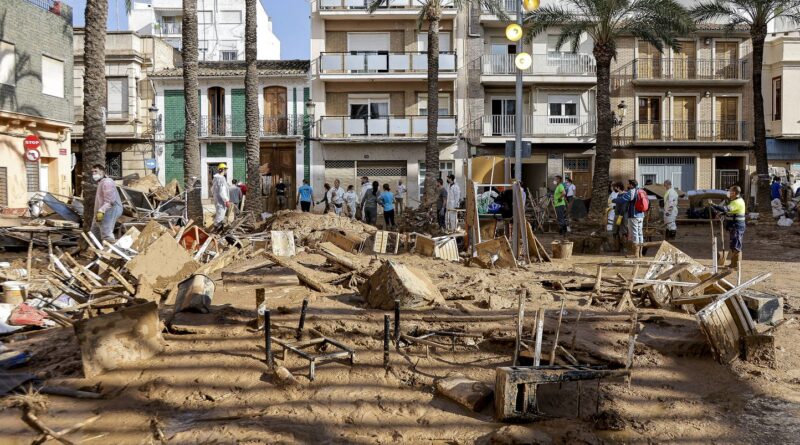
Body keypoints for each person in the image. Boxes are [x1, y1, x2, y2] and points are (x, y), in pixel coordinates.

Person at [711, 185, 747, 269]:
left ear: (734, 193)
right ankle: (734, 264)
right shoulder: (735, 201)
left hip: (737, 226)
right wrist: (722, 214)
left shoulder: (737, 202)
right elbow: (731, 212)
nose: (728, 192)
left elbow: (725, 209)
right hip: (734, 226)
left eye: (730, 191)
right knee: (734, 244)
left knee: (736, 245)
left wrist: (713, 205)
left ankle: (736, 265)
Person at [89, 164, 123, 243]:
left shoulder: (107, 182)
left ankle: (111, 253)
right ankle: (96, 252)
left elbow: (110, 201)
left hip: (110, 210)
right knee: (95, 231)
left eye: (96, 171)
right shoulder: (101, 182)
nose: (94, 173)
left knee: (106, 233)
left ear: (102, 172)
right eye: (92, 172)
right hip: (101, 211)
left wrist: (101, 211)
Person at [613, 179, 646, 256]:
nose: (627, 185)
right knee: (640, 233)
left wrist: (614, 200)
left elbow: (623, 200)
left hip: (634, 215)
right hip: (641, 215)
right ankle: (640, 253)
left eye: (629, 184)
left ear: (631, 185)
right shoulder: (641, 191)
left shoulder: (632, 191)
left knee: (635, 233)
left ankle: (636, 253)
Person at [212, 163, 230, 229]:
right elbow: (222, 191)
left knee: (219, 214)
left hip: (218, 200)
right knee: (220, 216)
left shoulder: (216, 178)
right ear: (222, 170)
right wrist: (226, 200)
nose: (226, 171)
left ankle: (217, 230)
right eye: (225, 169)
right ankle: (217, 231)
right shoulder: (221, 178)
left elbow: (212, 190)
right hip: (221, 201)